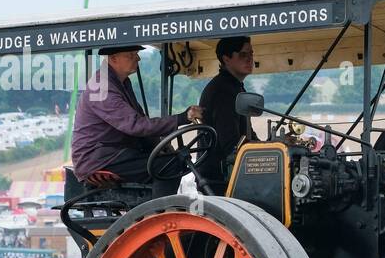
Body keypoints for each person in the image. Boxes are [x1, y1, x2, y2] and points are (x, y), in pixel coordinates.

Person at [70, 45, 205, 195]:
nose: (138, 58)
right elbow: (135, 125)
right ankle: (158, 213)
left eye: (137, 54)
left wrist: (162, 147)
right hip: (98, 158)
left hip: (114, 153)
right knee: (169, 165)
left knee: (171, 160)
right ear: (113, 58)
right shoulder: (101, 87)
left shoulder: (121, 83)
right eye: (131, 55)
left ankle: (155, 208)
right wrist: (182, 118)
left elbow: (140, 122)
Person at [197, 36, 258, 192]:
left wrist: (273, 146)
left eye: (251, 54)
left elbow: (246, 135)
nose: (250, 59)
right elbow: (231, 144)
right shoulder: (222, 91)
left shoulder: (234, 87)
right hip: (220, 179)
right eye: (243, 55)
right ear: (227, 59)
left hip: (226, 174)